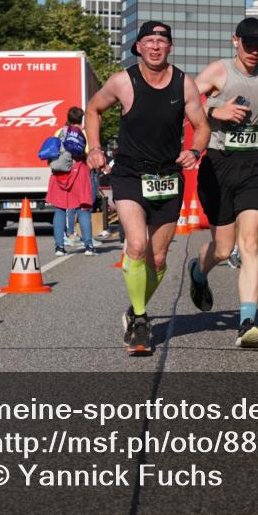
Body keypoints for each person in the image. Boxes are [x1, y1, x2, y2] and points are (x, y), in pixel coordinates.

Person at [85, 21, 210, 354]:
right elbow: (93, 109)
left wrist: (195, 150)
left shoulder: (185, 84)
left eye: (162, 41)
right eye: (149, 41)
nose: (156, 46)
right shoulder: (123, 81)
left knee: (158, 257)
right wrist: (94, 147)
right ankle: (141, 320)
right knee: (137, 245)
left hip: (168, 176)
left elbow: (201, 126)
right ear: (138, 47)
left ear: (170, 47)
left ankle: (134, 307)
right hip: (129, 174)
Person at [189, 17, 258, 348]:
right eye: (249, 45)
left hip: (252, 166)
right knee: (223, 248)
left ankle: (247, 322)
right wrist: (214, 111)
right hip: (217, 164)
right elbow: (184, 104)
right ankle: (198, 272)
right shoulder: (218, 72)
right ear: (236, 41)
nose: (254, 52)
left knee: (250, 243)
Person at [47, 107, 97, 257]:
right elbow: (87, 154)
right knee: (83, 209)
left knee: (60, 210)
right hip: (79, 172)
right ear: (81, 119)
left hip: (60, 174)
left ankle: (59, 247)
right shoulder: (83, 134)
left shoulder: (59, 132)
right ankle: (89, 246)